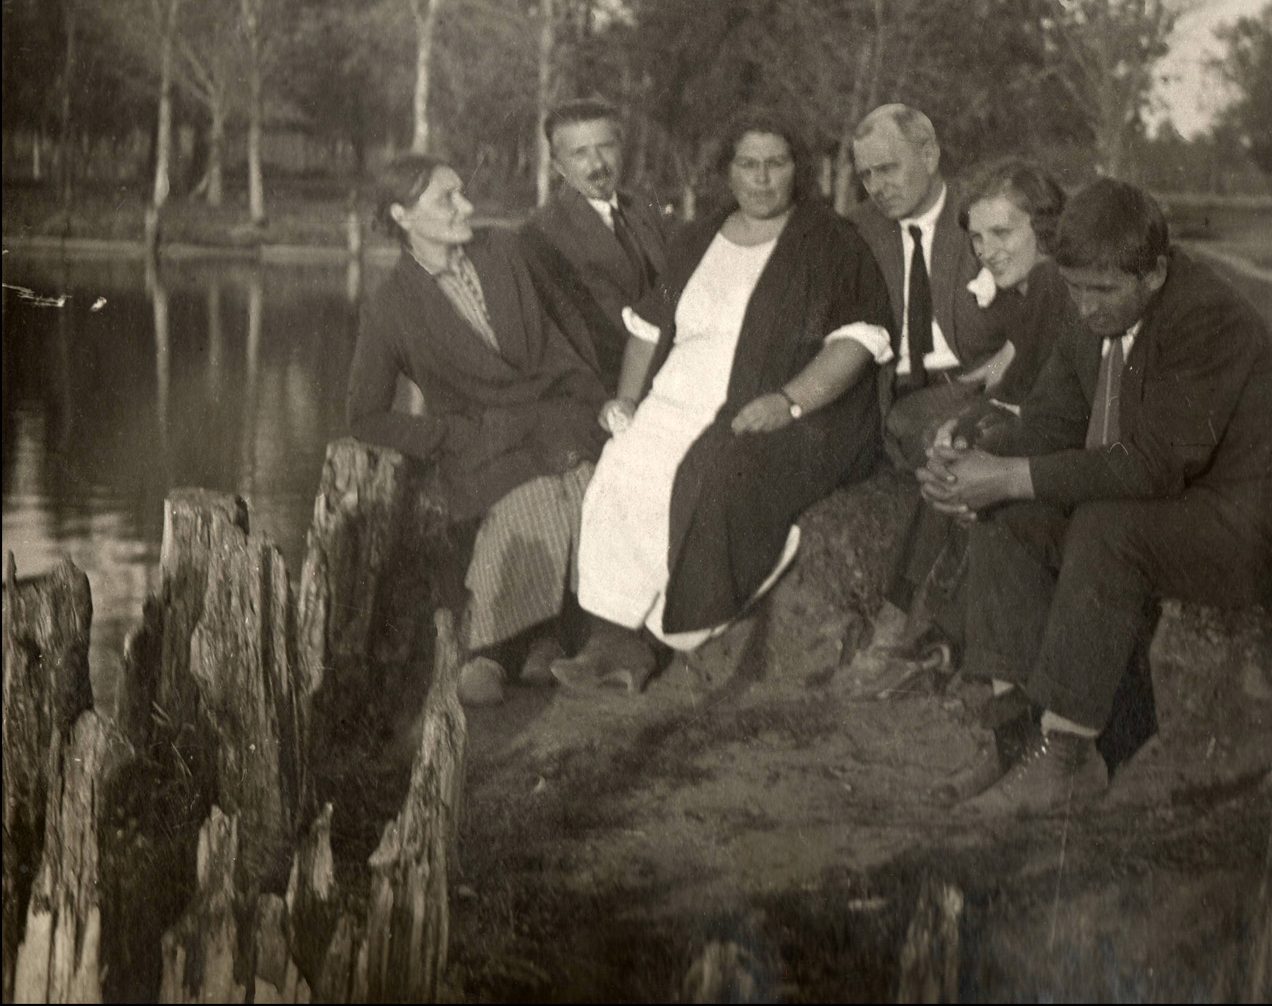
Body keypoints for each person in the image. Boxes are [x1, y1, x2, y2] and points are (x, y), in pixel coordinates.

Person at [918, 178, 1272, 816]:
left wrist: (1004, 475)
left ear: (1156, 272)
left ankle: (1068, 757)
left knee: (1106, 528)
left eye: (1103, 291)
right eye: (1075, 288)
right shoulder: (1093, 300)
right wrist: (969, 464)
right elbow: (1050, 425)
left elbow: (1153, 466)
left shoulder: (1205, 316)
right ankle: (1016, 739)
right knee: (1008, 514)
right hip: (1188, 500)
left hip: (1268, 517)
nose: (1086, 308)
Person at [559, 112, 893, 691]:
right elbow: (648, 329)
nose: (761, 179)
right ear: (728, 171)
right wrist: (627, 400)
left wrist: (788, 401)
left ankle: (676, 634)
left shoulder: (829, 241)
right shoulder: (697, 238)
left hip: (767, 405)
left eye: (776, 164)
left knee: (713, 475)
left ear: (798, 170)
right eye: (748, 164)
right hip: (673, 400)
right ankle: (614, 640)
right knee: (623, 463)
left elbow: (856, 342)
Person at [348, 154, 608, 707]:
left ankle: (515, 646)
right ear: (401, 215)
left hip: (558, 420)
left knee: (585, 484)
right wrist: (447, 435)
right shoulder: (391, 308)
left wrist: (591, 403)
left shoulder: (506, 251)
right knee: (534, 497)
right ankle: (500, 648)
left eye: (461, 191)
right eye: (447, 198)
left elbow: (570, 332)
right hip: (483, 447)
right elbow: (365, 417)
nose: (466, 206)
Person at [837, 158, 1073, 696]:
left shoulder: (1056, 285)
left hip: (1082, 461)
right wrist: (966, 424)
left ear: (1045, 228)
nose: (987, 251)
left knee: (966, 463)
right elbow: (1018, 389)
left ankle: (917, 634)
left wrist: (974, 435)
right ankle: (920, 634)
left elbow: (1050, 408)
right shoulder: (1037, 290)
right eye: (978, 239)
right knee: (955, 456)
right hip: (1045, 445)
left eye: (1002, 233)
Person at [848, 104, 1006, 471]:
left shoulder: (981, 213)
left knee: (948, 445)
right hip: (891, 395)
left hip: (973, 384)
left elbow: (1047, 296)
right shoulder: (855, 231)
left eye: (888, 168)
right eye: (866, 175)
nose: (877, 187)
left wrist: (1010, 355)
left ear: (929, 155)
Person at [520, 99, 670, 389]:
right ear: (558, 166)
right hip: (612, 385)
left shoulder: (643, 209)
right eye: (580, 153)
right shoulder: (541, 235)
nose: (598, 164)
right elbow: (583, 338)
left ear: (621, 150)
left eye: (606, 147)